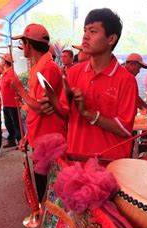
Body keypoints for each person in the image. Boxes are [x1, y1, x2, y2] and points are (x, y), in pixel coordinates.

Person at [44, 8, 138, 160]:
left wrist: (89, 113)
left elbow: (124, 130)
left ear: (111, 39)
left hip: (109, 165)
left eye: (93, 31)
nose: (85, 36)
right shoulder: (74, 73)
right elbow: (64, 114)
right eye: (85, 30)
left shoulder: (126, 80)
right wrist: (52, 104)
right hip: (77, 160)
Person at [11, 23, 67, 201]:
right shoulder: (37, 67)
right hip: (39, 134)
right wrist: (27, 135)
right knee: (42, 184)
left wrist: (20, 90)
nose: (22, 47)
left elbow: (41, 108)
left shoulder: (48, 68)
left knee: (50, 187)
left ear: (29, 43)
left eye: (23, 42)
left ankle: (49, 224)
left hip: (49, 136)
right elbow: (35, 104)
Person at [0, 53, 21, 148]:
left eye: (2, 59)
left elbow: (16, 86)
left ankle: (21, 140)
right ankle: (11, 139)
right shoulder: (6, 72)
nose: (1, 61)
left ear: (5, 61)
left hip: (13, 103)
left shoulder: (11, 73)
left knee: (17, 123)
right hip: (7, 103)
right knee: (8, 122)